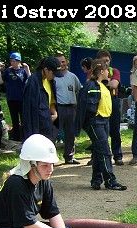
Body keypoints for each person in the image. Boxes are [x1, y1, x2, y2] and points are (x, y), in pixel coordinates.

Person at [76, 59, 127, 191]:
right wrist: (90, 121)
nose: (108, 73)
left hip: (104, 121)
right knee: (105, 151)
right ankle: (111, 181)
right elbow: (86, 107)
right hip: (96, 121)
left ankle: (96, 180)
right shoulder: (91, 86)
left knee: (98, 151)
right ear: (102, 71)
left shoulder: (102, 85)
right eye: (106, 70)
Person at [22, 56, 60, 142]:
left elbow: (52, 101)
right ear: (46, 70)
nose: (54, 76)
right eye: (53, 73)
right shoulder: (33, 82)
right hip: (37, 128)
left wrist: (55, 113)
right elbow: (29, 110)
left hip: (48, 124)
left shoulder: (50, 81)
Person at [96, 50, 124, 165]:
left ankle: (117, 156)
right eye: (103, 61)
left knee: (115, 130)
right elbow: (90, 83)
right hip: (98, 103)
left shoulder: (114, 71)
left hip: (113, 102)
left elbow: (114, 84)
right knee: (99, 131)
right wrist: (107, 81)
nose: (105, 63)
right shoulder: (93, 72)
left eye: (107, 60)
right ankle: (97, 156)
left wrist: (101, 82)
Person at [54, 53, 82, 164]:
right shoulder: (53, 77)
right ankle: (50, 158)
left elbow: (78, 89)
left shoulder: (73, 76)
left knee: (70, 133)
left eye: (63, 61)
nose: (62, 64)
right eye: (59, 62)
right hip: (58, 108)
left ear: (67, 62)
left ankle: (69, 157)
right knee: (54, 133)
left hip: (71, 108)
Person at [0, 52, 31, 142]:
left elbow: (31, 81)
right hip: (11, 99)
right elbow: (0, 81)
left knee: (24, 119)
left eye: (14, 61)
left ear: (19, 61)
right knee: (14, 119)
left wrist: (27, 69)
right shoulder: (8, 71)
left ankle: (25, 137)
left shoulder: (23, 71)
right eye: (11, 61)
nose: (12, 62)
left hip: (22, 99)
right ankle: (16, 138)